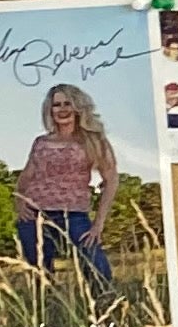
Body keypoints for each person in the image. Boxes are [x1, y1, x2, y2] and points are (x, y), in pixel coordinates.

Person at [12, 82, 121, 283]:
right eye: (56, 105)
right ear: (50, 110)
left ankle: (105, 308)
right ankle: (47, 311)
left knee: (97, 269)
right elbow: (26, 176)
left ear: (78, 107)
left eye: (67, 103)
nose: (62, 109)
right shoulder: (41, 142)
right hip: (35, 215)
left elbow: (111, 179)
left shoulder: (93, 140)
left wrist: (99, 223)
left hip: (74, 214)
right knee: (40, 276)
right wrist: (19, 203)